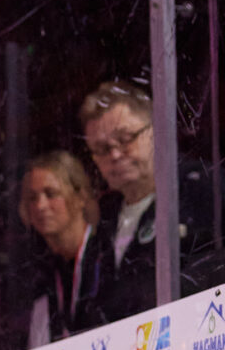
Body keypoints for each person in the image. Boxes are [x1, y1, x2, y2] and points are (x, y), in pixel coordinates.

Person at [79, 80, 217, 322]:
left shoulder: (201, 188)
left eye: (125, 138)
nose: (115, 154)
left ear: (155, 130)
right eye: (101, 148)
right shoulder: (103, 219)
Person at [18, 150, 106, 346]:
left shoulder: (106, 255)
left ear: (80, 196)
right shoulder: (40, 275)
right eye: (32, 198)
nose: (40, 206)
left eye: (51, 194)